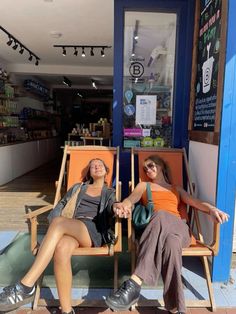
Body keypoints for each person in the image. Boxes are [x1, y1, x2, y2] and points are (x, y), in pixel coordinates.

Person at [106, 155, 229, 314]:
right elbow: (131, 199)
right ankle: (177, 308)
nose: (148, 170)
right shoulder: (143, 186)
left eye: (151, 165)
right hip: (159, 233)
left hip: (180, 228)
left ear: (161, 166)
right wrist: (123, 205)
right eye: (145, 169)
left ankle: (135, 282)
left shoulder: (176, 188)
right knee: (171, 245)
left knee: (162, 215)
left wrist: (212, 209)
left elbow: (195, 202)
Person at [0, 158, 116, 314]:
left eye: (100, 164)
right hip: (71, 227)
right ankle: (67, 311)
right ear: (89, 172)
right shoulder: (78, 188)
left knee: (59, 222)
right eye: (93, 165)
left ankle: (26, 285)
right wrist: (53, 236)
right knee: (61, 248)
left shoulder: (110, 192)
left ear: (106, 171)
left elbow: (113, 208)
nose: (97, 166)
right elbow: (60, 206)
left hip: (92, 231)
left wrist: (118, 207)